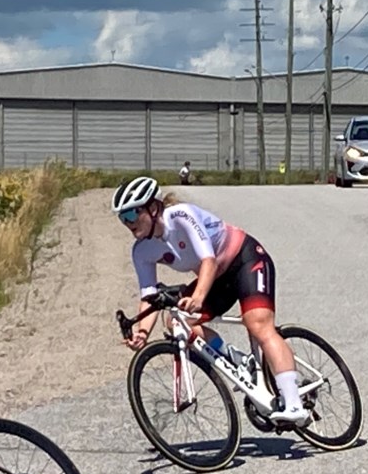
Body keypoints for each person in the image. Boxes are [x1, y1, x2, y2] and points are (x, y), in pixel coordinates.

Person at [111, 176, 311, 426]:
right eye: (122, 217)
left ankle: (295, 405)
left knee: (258, 324)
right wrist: (142, 333)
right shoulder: (141, 250)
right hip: (216, 279)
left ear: (153, 208)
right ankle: (236, 361)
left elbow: (209, 260)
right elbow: (149, 295)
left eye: (131, 214)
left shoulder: (181, 216)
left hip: (245, 260)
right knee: (178, 323)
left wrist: (197, 298)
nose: (127, 223)